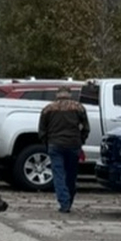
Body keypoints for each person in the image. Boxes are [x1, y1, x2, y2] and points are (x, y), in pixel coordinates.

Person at [38, 85, 89, 213]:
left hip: (55, 145)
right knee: (71, 175)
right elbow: (86, 128)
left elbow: (42, 130)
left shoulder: (48, 109)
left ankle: (64, 202)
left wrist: (47, 143)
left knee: (58, 175)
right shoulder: (79, 108)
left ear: (57, 94)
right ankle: (69, 198)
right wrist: (81, 141)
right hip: (73, 144)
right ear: (70, 94)